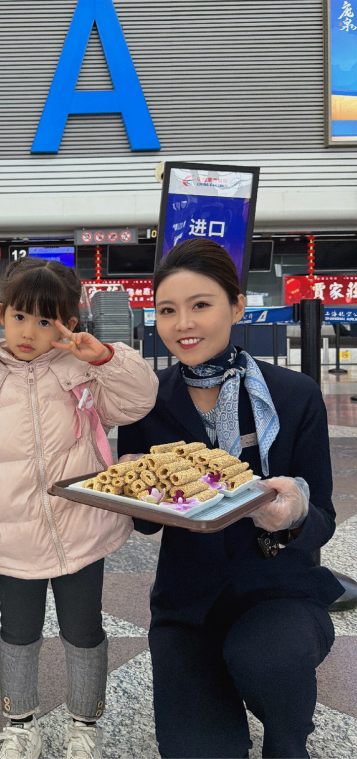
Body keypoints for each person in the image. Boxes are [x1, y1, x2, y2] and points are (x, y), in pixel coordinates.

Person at [117, 238, 343, 759]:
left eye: (201, 305)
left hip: (279, 589)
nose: (183, 324)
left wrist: (293, 513)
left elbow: (324, 518)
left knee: (268, 659)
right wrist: (133, 487)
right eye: (167, 310)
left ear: (237, 306)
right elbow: (149, 525)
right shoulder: (147, 402)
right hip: (187, 603)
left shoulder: (292, 395)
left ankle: (289, 742)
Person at [0, 258, 158, 759]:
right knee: (18, 632)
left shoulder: (82, 369)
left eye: (45, 321)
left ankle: (86, 725)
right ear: (0, 314)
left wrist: (104, 357)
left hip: (83, 528)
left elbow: (140, 400)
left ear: (70, 324)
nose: (29, 332)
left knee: (84, 631)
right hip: (13, 534)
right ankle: (20, 725)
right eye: (19, 317)